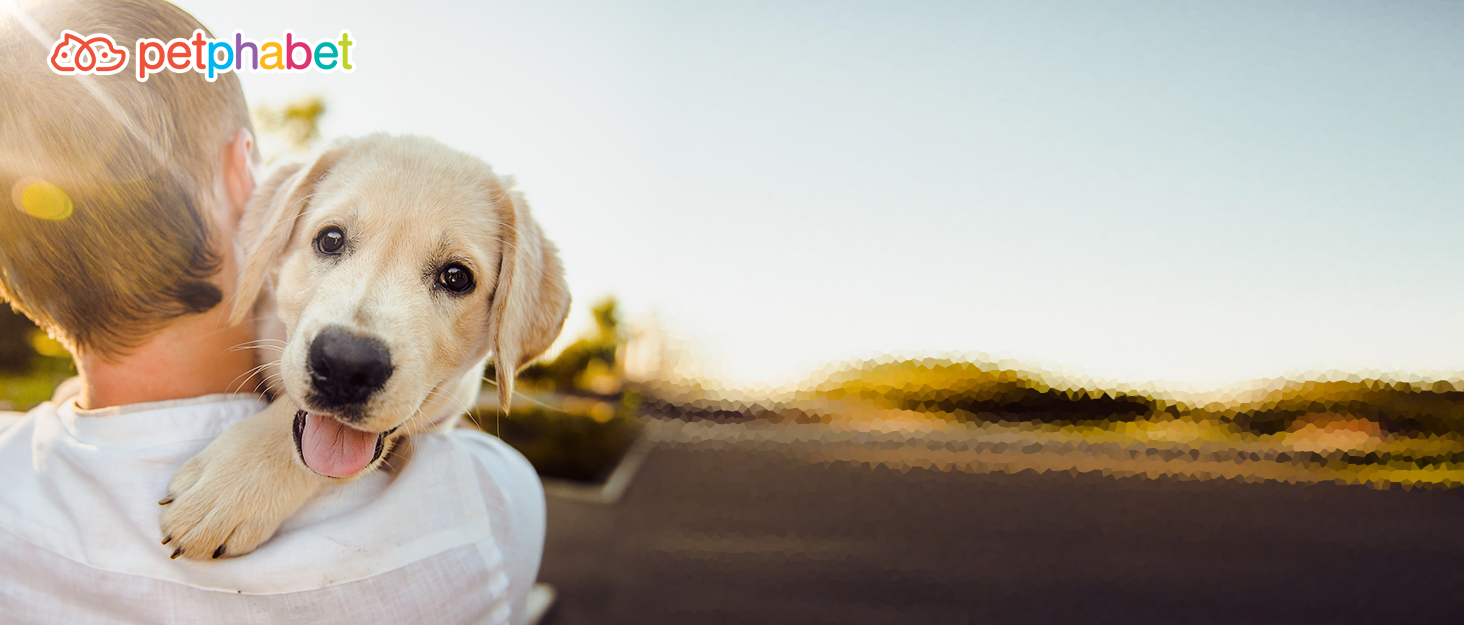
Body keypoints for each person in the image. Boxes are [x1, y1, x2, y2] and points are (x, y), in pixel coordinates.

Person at [0, 1, 546, 622]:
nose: (353, 345)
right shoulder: (488, 509)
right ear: (248, 184)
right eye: (332, 241)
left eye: (452, 277)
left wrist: (281, 448)